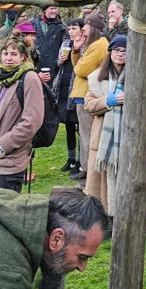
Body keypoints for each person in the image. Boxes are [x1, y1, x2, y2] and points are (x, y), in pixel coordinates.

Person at [83, 34, 146, 217]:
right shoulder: (96, 78)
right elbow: (89, 105)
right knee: (105, 178)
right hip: (104, 139)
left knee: (137, 176)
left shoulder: (139, 77)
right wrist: (109, 100)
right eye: (117, 50)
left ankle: (137, 217)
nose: (120, 54)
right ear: (110, 52)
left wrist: (133, 100)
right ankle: (108, 217)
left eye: (125, 51)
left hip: (133, 135)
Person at [0, 35, 45, 192]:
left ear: (23, 56)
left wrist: (5, 144)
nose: (8, 58)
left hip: (12, 155)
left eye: (14, 54)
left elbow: (32, 121)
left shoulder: (29, 78)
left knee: (7, 209)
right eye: (5, 53)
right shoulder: (0, 76)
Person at [69, 10, 109, 182]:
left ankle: (88, 172)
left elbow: (80, 70)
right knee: (85, 134)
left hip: (89, 96)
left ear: (92, 27)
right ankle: (86, 169)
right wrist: (77, 51)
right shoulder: (93, 45)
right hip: (83, 95)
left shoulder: (99, 45)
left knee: (88, 136)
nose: (82, 29)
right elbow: (77, 65)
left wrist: (80, 55)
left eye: (85, 25)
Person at [55, 18, 83, 174]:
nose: (71, 31)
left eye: (74, 28)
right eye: (70, 28)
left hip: (76, 89)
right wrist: (60, 60)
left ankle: (80, 160)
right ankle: (70, 159)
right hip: (63, 89)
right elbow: (58, 64)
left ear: (81, 30)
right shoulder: (65, 43)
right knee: (68, 127)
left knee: (80, 127)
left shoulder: (85, 45)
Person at [31, 3, 65, 86]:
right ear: (44, 10)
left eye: (55, 9)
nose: (54, 11)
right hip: (34, 68)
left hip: (52, 70)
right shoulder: (33, 23)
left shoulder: (62, 27)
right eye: (51, 9)